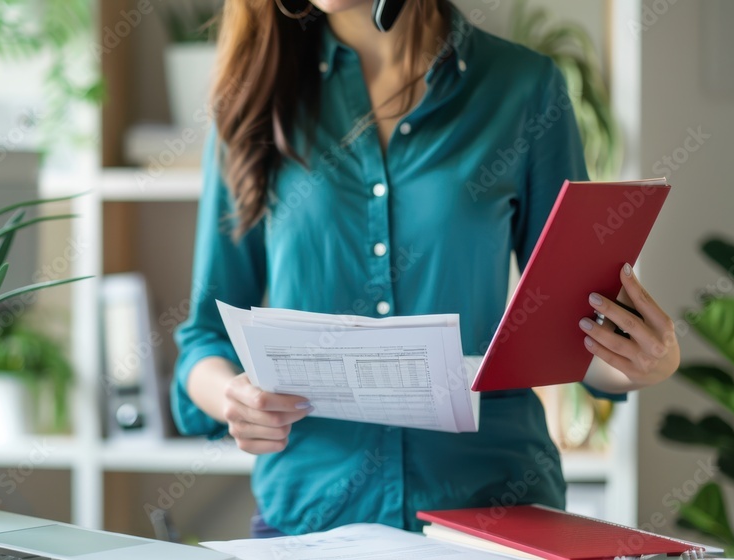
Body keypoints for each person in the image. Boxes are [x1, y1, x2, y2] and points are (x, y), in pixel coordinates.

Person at [170, 0, 680, 538]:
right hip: (312, 516)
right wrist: (233, 397)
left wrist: (643, 360)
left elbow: (570, 329)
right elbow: (204, 338)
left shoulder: (523, 87)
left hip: (495, 513)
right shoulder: (254, 97)